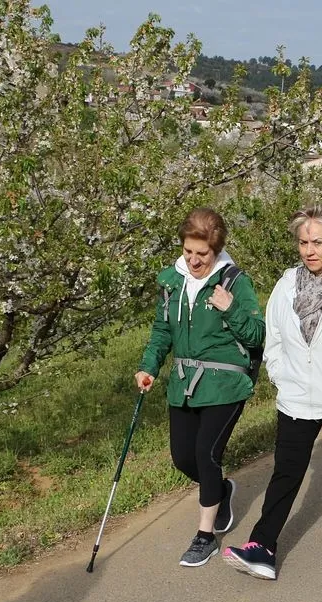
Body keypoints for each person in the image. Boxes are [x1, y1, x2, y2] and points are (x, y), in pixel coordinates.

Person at [223, 205, 322, 580]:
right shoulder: (285, 285)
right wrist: (280, 374)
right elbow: (275, 336)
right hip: (297, 395)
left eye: (317, 242)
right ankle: (262, 546)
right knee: (287, 470)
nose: (309, 250)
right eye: (303, 242)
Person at [136, 208, 265, 567]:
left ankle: (205, 536)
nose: (193, 260)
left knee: (207, 454)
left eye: (202, 254)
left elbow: (257, 336)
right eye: (188, 251)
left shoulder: (235, 281)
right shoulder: (170, 281)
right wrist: (148, 367)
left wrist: (231, 309)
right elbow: (162, 332)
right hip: (183, 383)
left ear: (217, 249)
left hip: (225, 383)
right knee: (183, 457)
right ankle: (221, 491)